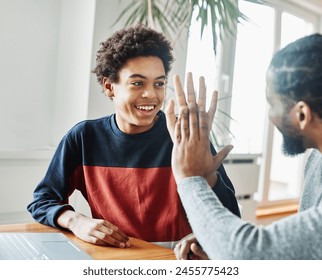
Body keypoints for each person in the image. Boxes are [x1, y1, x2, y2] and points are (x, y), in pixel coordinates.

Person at [27, 24, 240, 249]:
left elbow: (231, 217)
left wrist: (208, 178)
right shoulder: (83, 139)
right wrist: (77, 221)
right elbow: (42, 200)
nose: (151, 94)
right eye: (138, 83)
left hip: (176, 260)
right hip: (115, 259)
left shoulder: (185, 138)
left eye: (159, 83)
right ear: (110, 87)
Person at [166, 33, 322, 259]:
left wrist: (189, 178)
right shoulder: (316, 158)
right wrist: (219, 240)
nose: (270, 116)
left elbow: (247, 253)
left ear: (302, 114)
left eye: (272, 104)